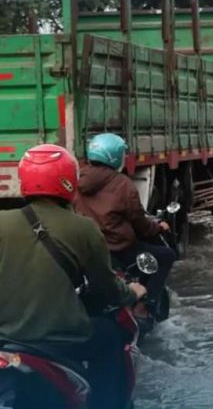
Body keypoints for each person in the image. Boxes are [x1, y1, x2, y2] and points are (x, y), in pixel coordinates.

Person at [0, 144, 145, 408]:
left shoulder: (3, 221)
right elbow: (106, 289)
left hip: (7, 340)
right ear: (69, 181)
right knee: (111, 336)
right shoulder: (83, 228)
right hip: (62, 340)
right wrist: (132, 292)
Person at [73, 133, 176, 320]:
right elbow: (140, 222)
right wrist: (157, 227)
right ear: (115, 156)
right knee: (167, 256)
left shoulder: (76, 179)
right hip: (118, 249)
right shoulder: (122, 184)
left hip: (85, 249)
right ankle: (144, 306)